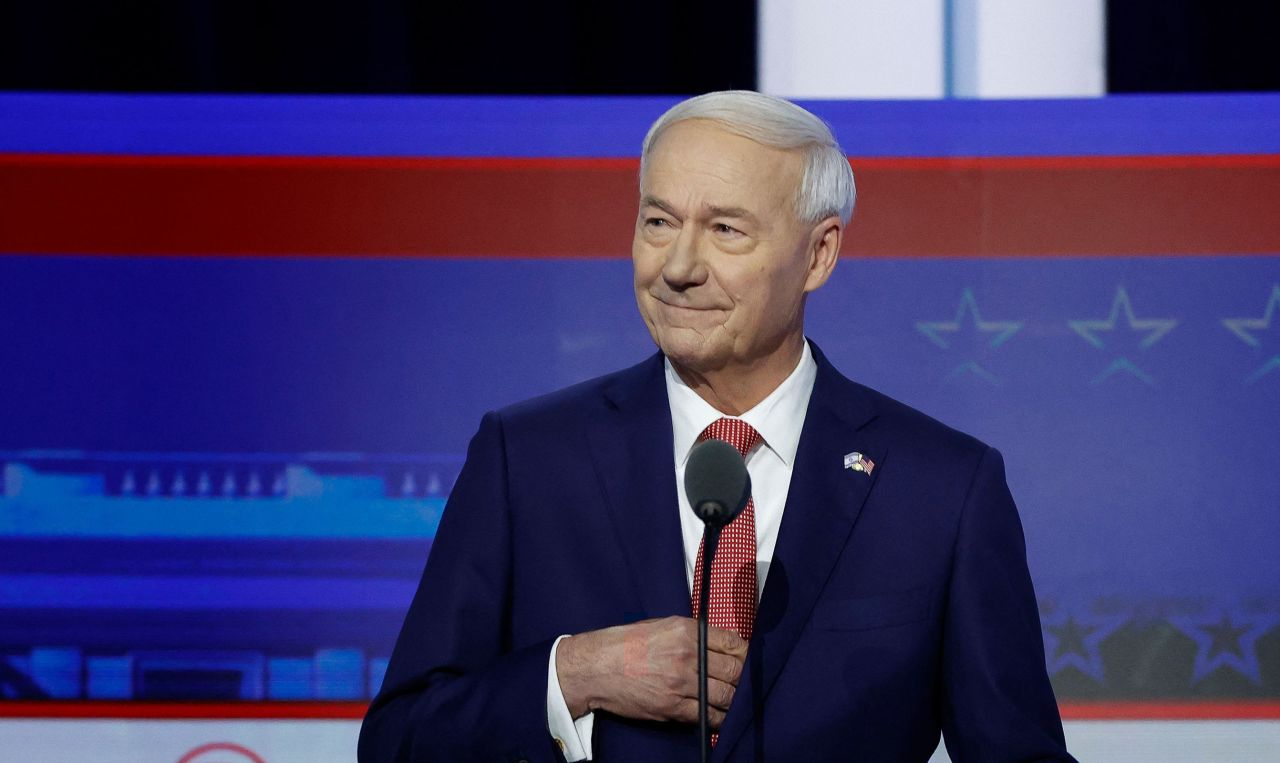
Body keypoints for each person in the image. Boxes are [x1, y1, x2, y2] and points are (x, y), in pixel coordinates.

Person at [358, 91, 1074, 762]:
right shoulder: (530, 460)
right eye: (658, 222)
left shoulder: (941, 488)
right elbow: (397, 740)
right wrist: (572, 674)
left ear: (818, 254)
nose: (677, 266)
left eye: (725, 229)